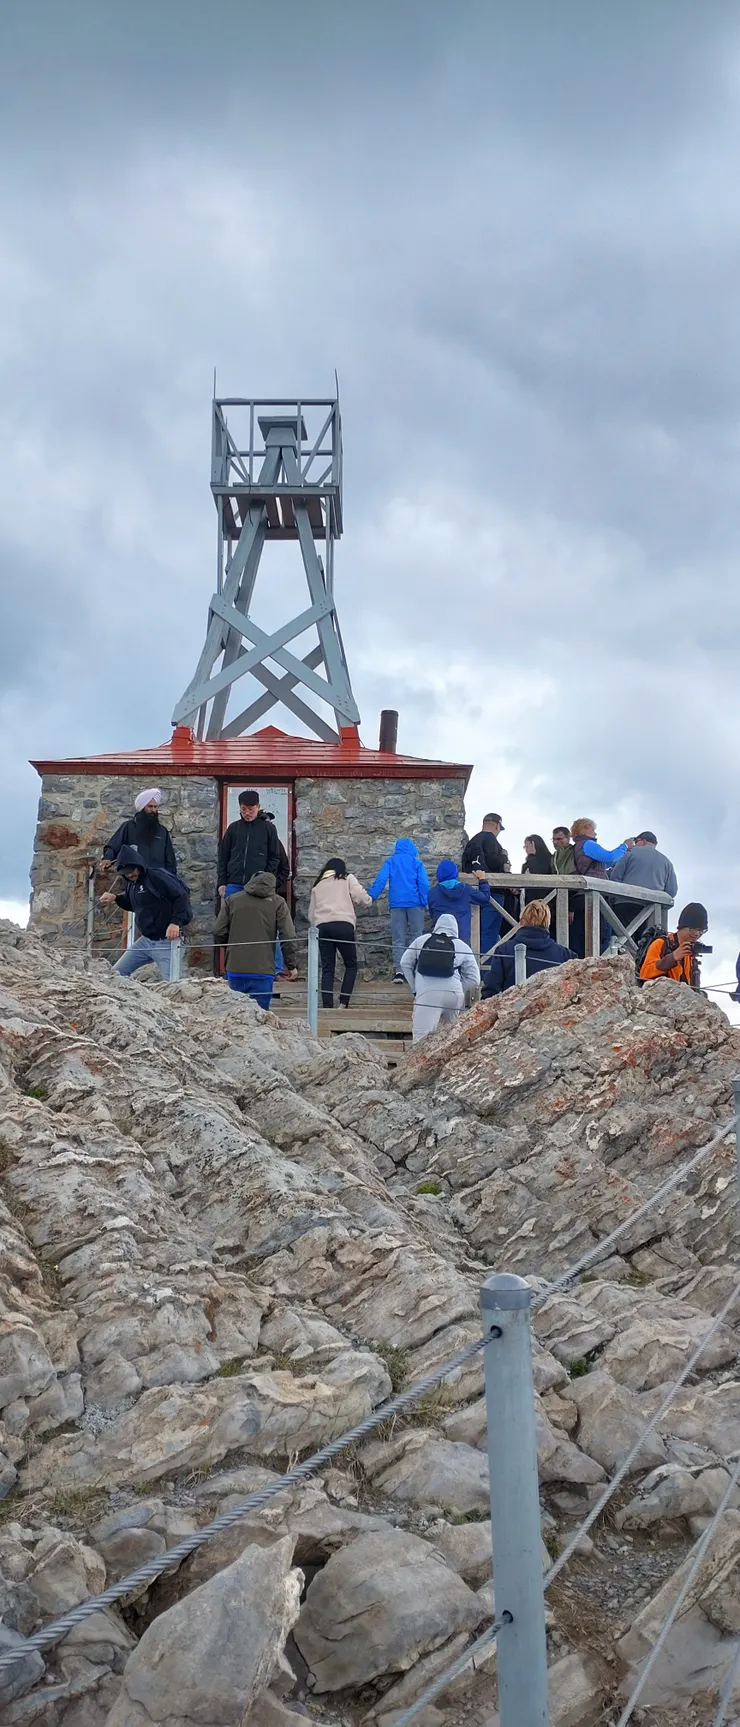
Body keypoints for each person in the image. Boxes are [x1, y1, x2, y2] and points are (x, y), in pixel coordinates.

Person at [101, 845, 191, 980]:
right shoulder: (132, 884)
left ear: (139, 865)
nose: (130, 874)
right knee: (115, 974)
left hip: (168, 942)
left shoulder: (157, 876)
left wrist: (175, 923)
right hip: (146, 941)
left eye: (132, 870)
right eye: (126, 873)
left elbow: (181, 896)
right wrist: (116, 898)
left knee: (173, 985)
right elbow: (135, 904)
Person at [214, 871, 297, 1009]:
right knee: (260, 1017)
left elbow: (218, 930)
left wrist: (232, 947)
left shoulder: (232, 900)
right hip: (263, 971)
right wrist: (291, 965)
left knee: (233, 1016)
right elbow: (287, 935)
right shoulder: (278, 902)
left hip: (235, 968)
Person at [400, 913, 480, 1042]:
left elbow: (404, 963)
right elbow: (474, 979)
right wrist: (458, 988)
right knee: (450, 1040)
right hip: (454, 995)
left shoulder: (422, 940)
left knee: (421, 1040)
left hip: (428, 994)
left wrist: (415, 988)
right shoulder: (462, 945)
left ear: (437, 926)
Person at [308, 858, 372, 1008]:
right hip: (343, 925)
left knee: (327, 968)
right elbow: (361, 896)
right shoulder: (347, 878)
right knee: (351, 965)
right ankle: (343, 1002)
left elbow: (311, 914)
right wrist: (368, 901)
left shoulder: (317, 886)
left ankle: (327, 1006)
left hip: (322, 927)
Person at [482, 901, 576, 996]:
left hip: (512, 1008)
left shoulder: (503, 950)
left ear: (522, 921)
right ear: (547, 922)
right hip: (551, 1009)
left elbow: (491, 989)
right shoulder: (566, 955)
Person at [570, 818, 634, 957]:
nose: (595, 833)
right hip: (595, 893)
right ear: (584, 829)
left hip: (583, 894)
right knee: (601, 932)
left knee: (582, 933)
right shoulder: (588, 844)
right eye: (592, 829)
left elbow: (599, 864)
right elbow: (609, 858)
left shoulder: (579, 846)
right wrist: (624, 846)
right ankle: (600, 960)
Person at [367, 839, 430, 981]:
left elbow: (381, 880)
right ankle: (413, 968)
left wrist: (372, 895)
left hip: (396, 904)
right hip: (415, 903)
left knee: (398, 939)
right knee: (416, 936)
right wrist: (425, 902)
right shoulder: (417, 863)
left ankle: (399, 971)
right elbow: (424, 884)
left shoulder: (391, 862)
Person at [607, 830, 678, 935]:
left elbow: (615, 877)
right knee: (645, 945)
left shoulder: (630, 854)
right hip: (652, 911)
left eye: (636, 841)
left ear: (643, 841)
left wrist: (612, 900)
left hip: (624, 905)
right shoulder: (667, 862)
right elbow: (672, 891)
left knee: (620, 943)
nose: (635, 845)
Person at [218, 792, 281, 900]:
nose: (247, 813)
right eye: (243, 809)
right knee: (233, 915)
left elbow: (274, 856)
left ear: (258, 807)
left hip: (258, 885)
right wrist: (222, 882)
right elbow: (223, 856)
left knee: (256, 916)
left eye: (251, 809)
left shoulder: (269, 829)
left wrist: (264, 878)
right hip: (234, 883)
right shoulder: (233, 828)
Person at [462, 814, 508, 956]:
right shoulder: (490, 838)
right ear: (497, 825)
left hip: (473, 893)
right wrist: (504, 858)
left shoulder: (472, 841)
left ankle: (475, 967)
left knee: (475, 932)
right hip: (492, 893)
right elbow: (493, 861)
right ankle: (485, 971)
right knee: (489, 933)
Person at [102, 789, 177, 875]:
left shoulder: (162, 831)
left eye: (155, 807)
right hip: (135, 879)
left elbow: (170, 860)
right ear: (142, 807)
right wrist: (108, 858)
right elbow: (113, 846)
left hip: (158, 880)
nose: (153, 810)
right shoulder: (128, 827)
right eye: (150, 806)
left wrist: (170, 878)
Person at [639, 903, 709, 987]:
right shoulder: (661, 943)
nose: (697, 934)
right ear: (682, 926)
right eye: (692, 929)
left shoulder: (690, 952)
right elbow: (644, 973)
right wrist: (673, 957)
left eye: (701, 930)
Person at [427, 860, 490, 945]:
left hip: (439, 939)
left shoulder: (432, 893)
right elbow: (485, 898)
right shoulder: (465, 889)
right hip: (461, 939)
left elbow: (432, 914)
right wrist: (482, 880)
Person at [522, 835, 554, 902]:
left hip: (545, 900)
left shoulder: (550, 859)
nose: (526, 850)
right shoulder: (526, 863)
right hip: (529, 900)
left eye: (527, 846)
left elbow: (538, 871)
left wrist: (532, 855)